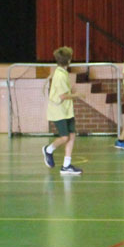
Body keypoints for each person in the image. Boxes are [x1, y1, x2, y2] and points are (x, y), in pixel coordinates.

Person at [42, 46, 83, 175]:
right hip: (58, 111)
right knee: (65, 137)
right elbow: (63, 96)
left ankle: (66, 165)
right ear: (69, 60)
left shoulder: (61, 72)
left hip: (66, 110)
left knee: (72, 135)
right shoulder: (59, 75)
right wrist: (77, 95)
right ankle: (48, 149)